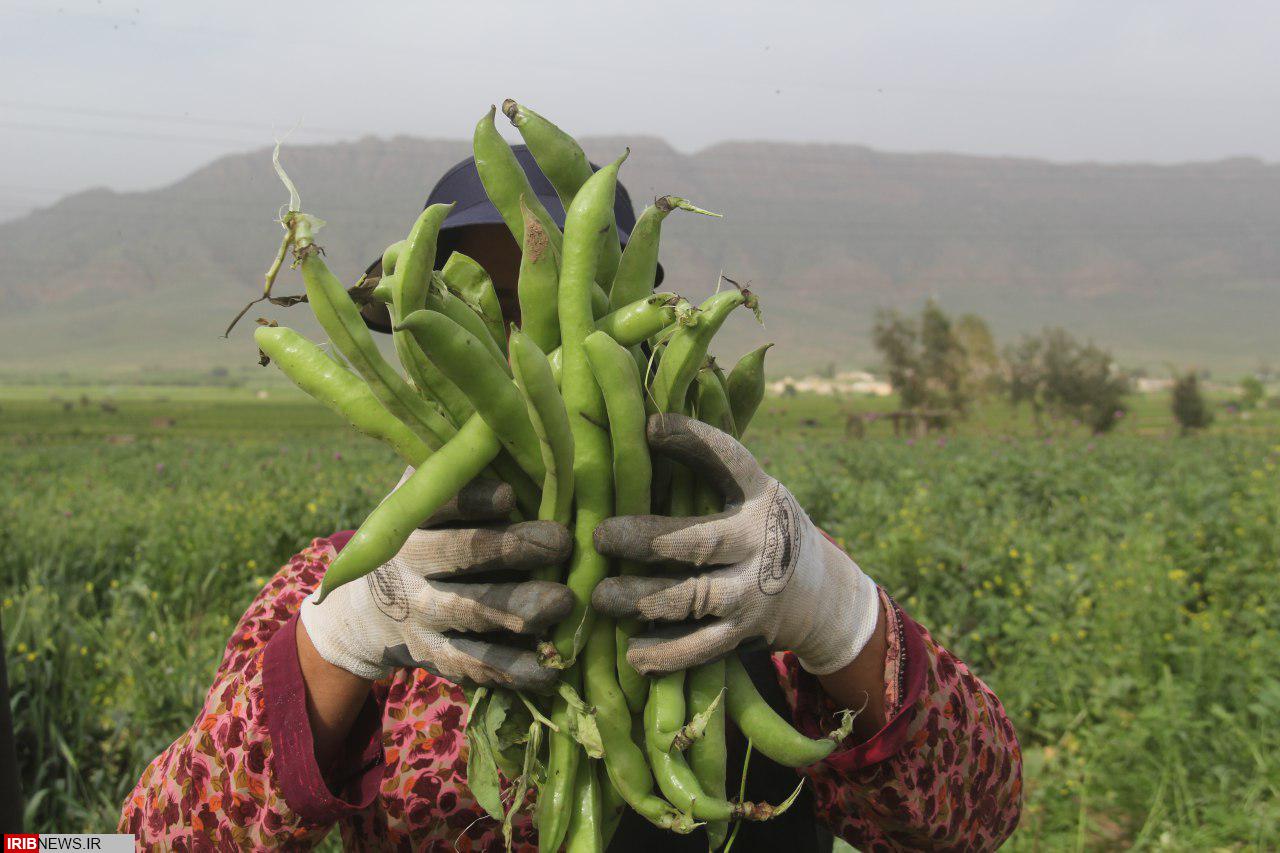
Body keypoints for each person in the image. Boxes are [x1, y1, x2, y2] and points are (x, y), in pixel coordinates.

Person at [120, 148, 1022, 851]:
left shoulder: (745, 566)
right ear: (421, 348)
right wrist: (345, 637)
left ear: (635, 317)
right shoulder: (336, 584)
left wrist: (832, 609)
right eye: (479, 308)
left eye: (559, 301)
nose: (526, 346)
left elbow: (978, 818)